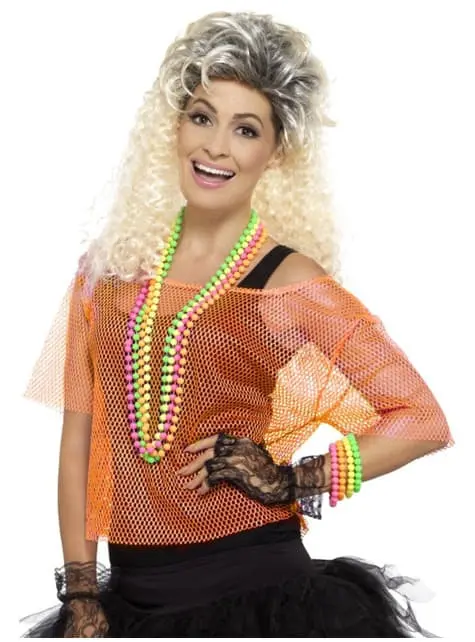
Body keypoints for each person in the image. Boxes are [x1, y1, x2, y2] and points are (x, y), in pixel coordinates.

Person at [22, 10, 453, 638]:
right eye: (202, 117)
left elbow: (421, 419)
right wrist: (82, 592)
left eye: (245, 129)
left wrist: (290, 478)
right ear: (174, 125)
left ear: (274, 153)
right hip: (133, 599)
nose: (217, 147)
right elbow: (79, 439)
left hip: (257, 590)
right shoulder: (109, 270)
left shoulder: (285, 280)